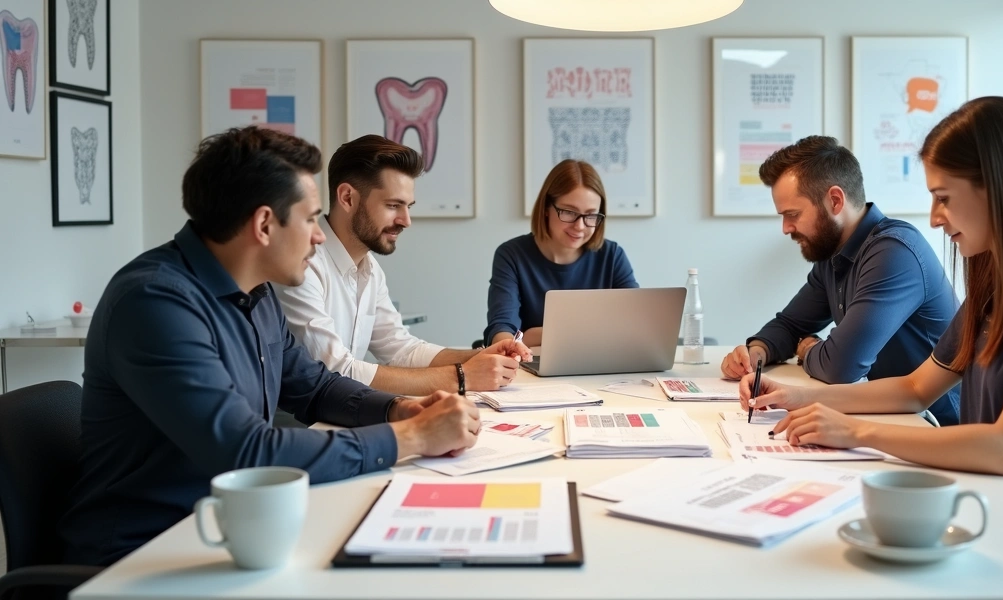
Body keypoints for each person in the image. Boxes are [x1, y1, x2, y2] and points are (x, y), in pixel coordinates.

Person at [742, 97, 1003, 551]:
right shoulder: (998, 280)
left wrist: (853, 431)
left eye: (943, 198)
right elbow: (914, 389)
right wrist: (801, 397)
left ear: (999, 188)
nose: (933, 217)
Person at [60, 127, 482, 567]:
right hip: (143, 555)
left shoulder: (256, 294)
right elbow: (247, 453)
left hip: (237, 530)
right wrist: (411, 437)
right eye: (310, 218)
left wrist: (399, 409)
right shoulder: (155, 304)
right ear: (264, 224)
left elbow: (313, 387)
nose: (320, 237)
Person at [721, 136, 961, 426]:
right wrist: (756, 352)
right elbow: (791, 325)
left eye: (792, 214)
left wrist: (810, 349)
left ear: (835, 200)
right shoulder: (833, 255)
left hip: (937, 426)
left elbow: (841, 366)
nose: (786, 228)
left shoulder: (894, 252)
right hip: (890, 415)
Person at [275, 135, 530, 395]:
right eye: (393, 205)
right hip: (297, 427)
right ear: (348, 198)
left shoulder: (370, 270)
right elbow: (335, 370)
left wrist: (479, 356)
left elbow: (401, 349)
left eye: (408, 206)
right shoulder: (302, 266)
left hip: (343, 415)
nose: (406, 220)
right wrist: (462, 377)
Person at [484, 159, 638, 347]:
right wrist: (509, 343)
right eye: (569, 212)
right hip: (530, 367)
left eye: (591, 215)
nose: (580, 226)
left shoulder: (612, 256)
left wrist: (533, 334)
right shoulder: (512, 255)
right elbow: (502, 329)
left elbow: (635, 324)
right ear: (547, 208)